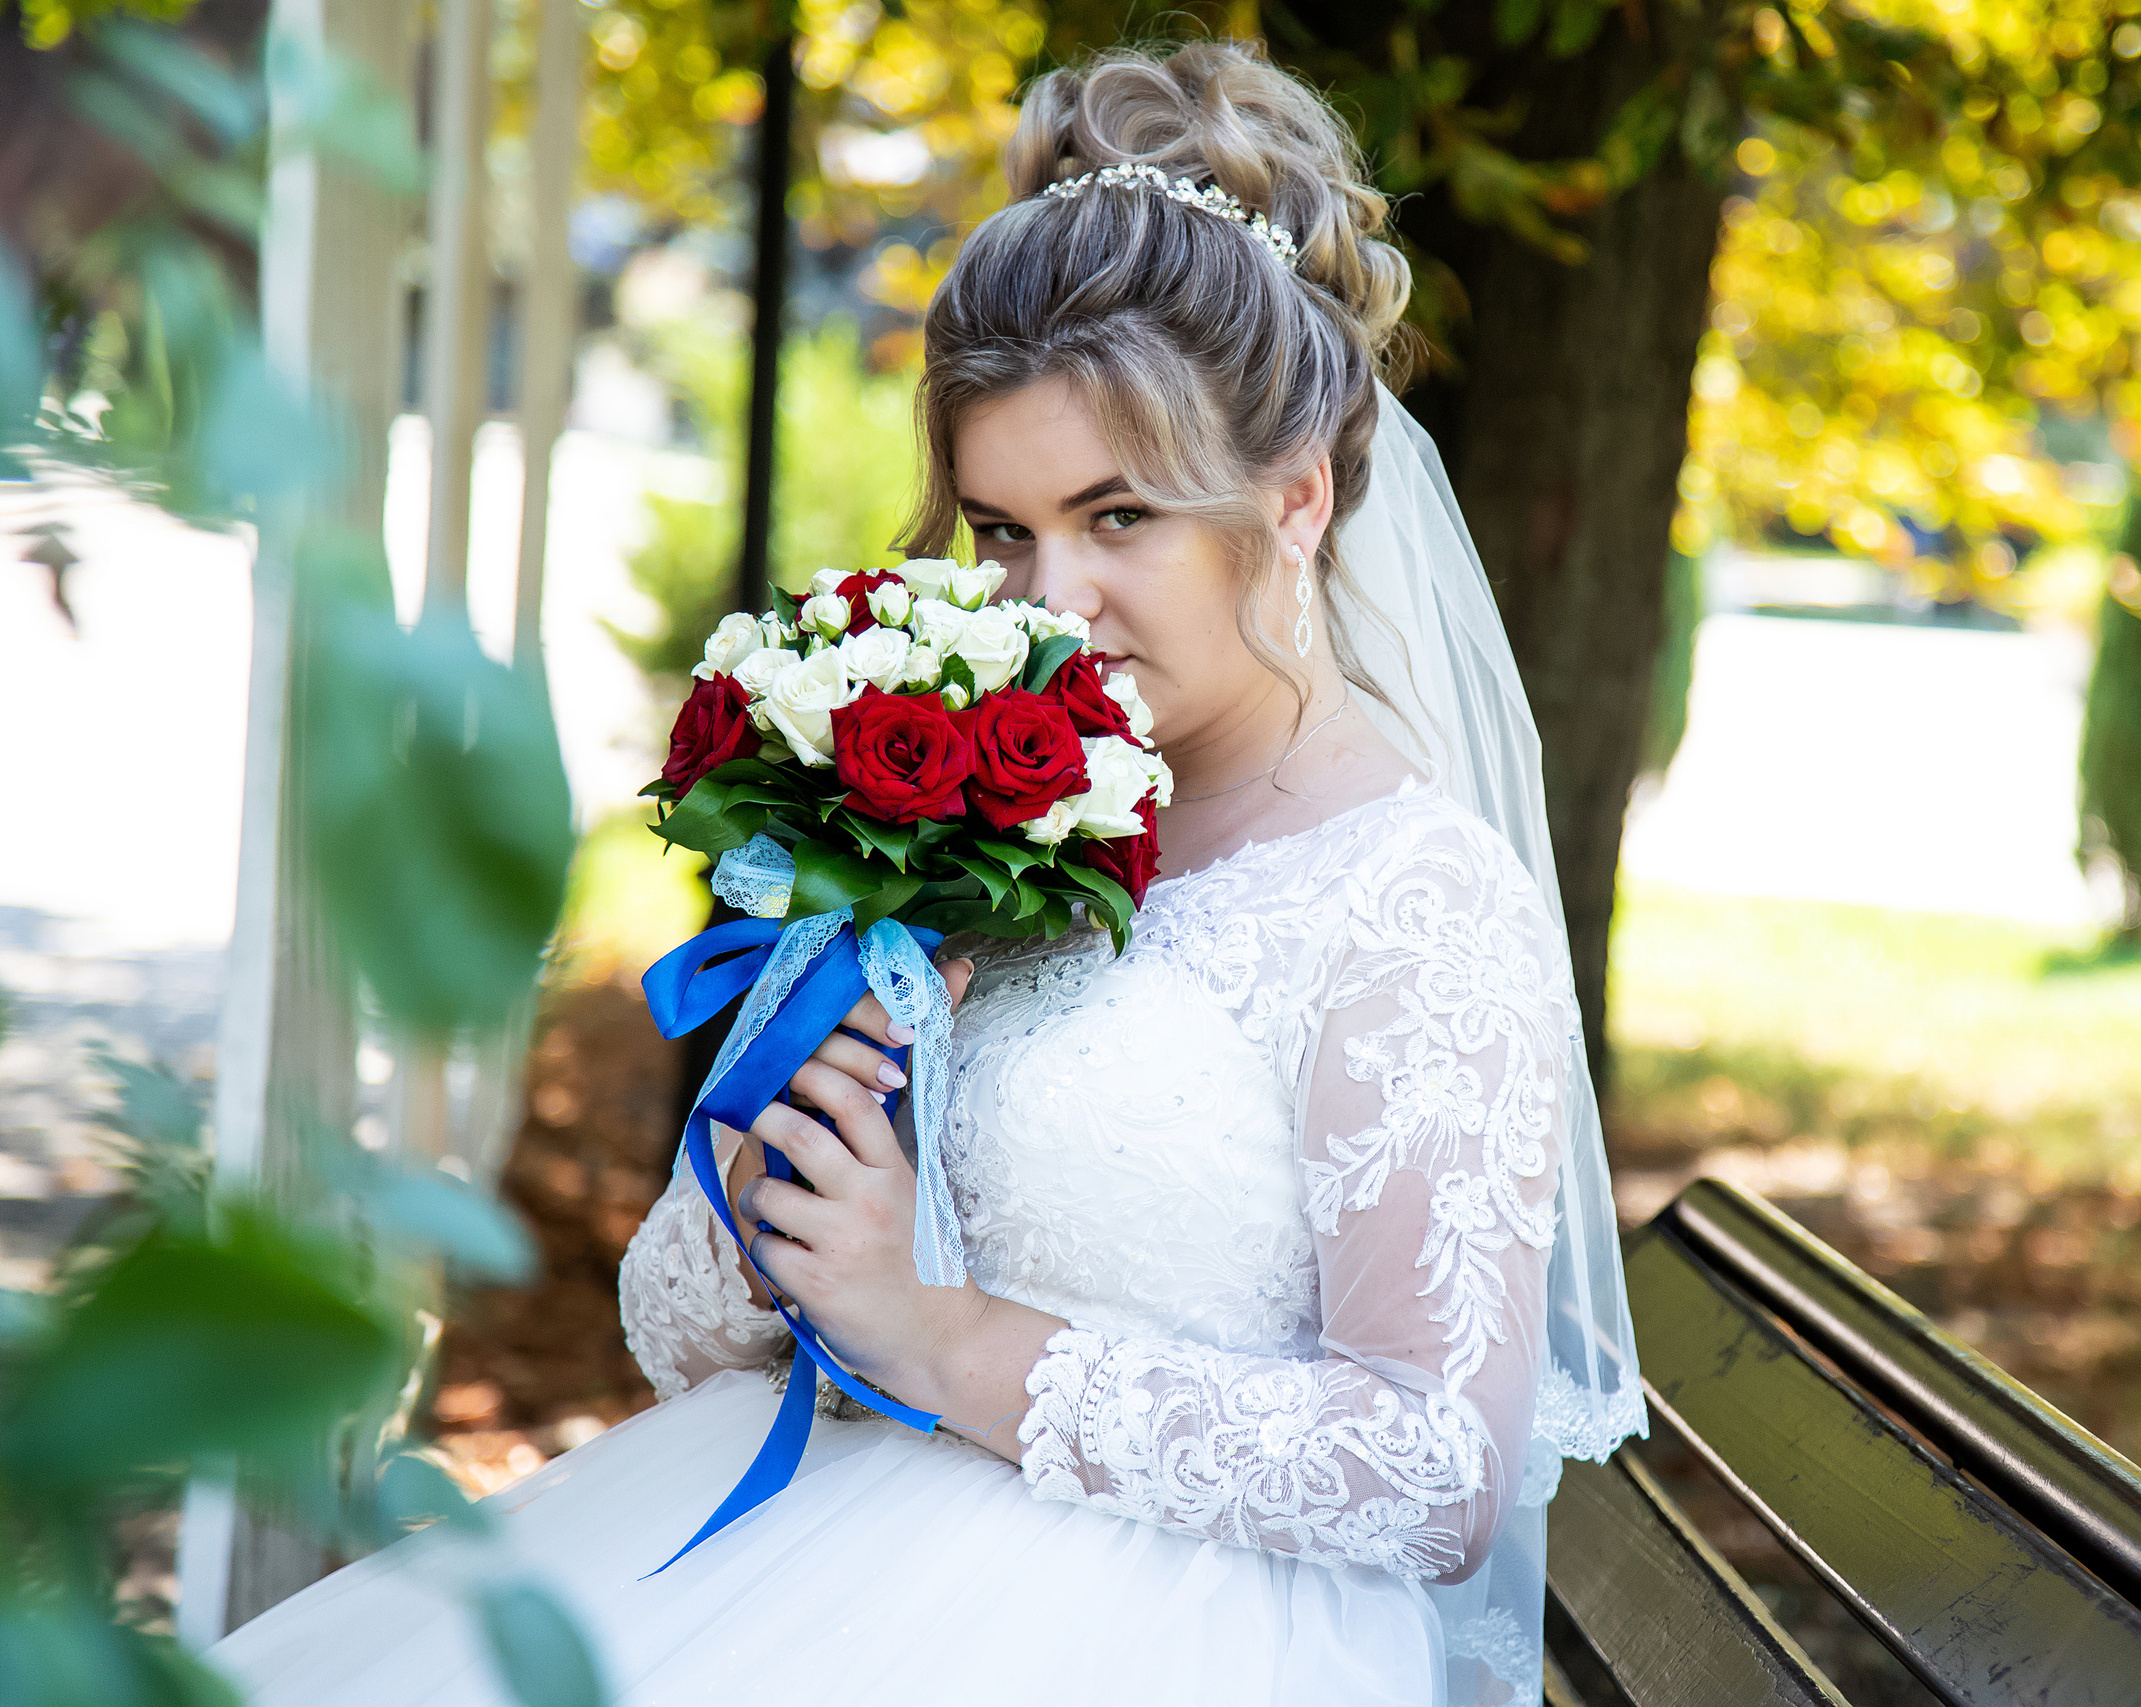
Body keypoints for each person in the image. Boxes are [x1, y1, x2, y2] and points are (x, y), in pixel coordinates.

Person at [210, 39, 1638, 1707]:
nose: (1053, 601)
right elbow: (686, 1330)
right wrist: (781, 1186)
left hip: (1156, 1636)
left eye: (1121, 520)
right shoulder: (985, 811)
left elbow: (1430, 1469)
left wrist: (939, 1335)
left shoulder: (1410, 897)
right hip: (809, 1537)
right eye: (1004, 530)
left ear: (1297, 496)